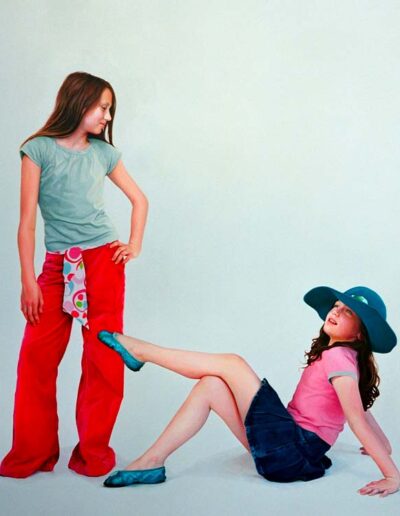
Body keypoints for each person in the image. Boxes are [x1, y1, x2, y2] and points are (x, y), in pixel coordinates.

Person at [98, 286, 399, 497]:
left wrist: (391, 475)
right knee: (211, 385)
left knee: (232, 363)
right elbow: (360, 410)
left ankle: (142, 352)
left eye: (348, 313)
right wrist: (383, 445)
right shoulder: (344, 359)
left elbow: (356, 418)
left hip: (293, 450)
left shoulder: (338, 358)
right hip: (287, 447)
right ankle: (152, 462)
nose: (336, 311)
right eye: (337, 306)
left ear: (359, 334)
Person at [0, 72, 149, 478]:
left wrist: (133, 245)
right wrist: (28, 280)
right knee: (35, 359)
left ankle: (93, 453)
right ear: (78, 102)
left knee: (103, 358)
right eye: (102, 107)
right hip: (56, 267)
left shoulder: (103, 153)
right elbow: (27, 222)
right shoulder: (37, 150)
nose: (107, 116)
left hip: (103, 263)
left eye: (109, 109)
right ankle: (31, 454)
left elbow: (139, 200)